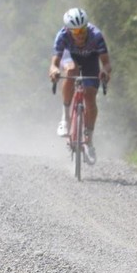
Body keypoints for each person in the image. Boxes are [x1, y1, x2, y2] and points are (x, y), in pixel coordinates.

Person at [49, 8, 112, 164]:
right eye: (76, 32)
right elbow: (54, 64)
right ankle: (65, 117)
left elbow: (106, 63)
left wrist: (104, 71)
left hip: (91, 59)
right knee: (71, 70)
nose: (81, 34)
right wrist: (55, 70)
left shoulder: (96, 35)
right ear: (68, 31)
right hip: (70, 57)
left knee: (90, 98)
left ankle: (89, 142)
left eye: (83, 29)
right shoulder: (62, 36)